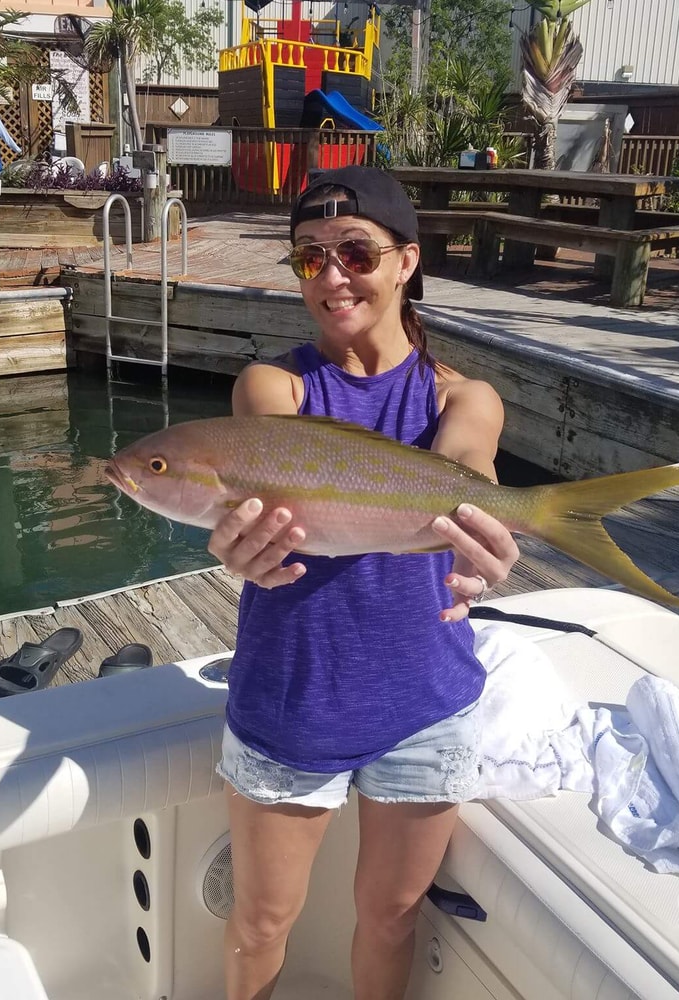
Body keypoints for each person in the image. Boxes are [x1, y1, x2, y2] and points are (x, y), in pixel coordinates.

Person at [207, 165, 521, 1000]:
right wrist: (243, 542)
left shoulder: (466, 396)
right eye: (310, 259)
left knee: (391, 916)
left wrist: (477, 536)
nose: (333, 276)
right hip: (293, 697)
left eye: (356, 252)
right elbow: (267, 451)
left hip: (426, 701)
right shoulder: (277, 386)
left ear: (407, 260)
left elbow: (463, 463)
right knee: (261, 922)